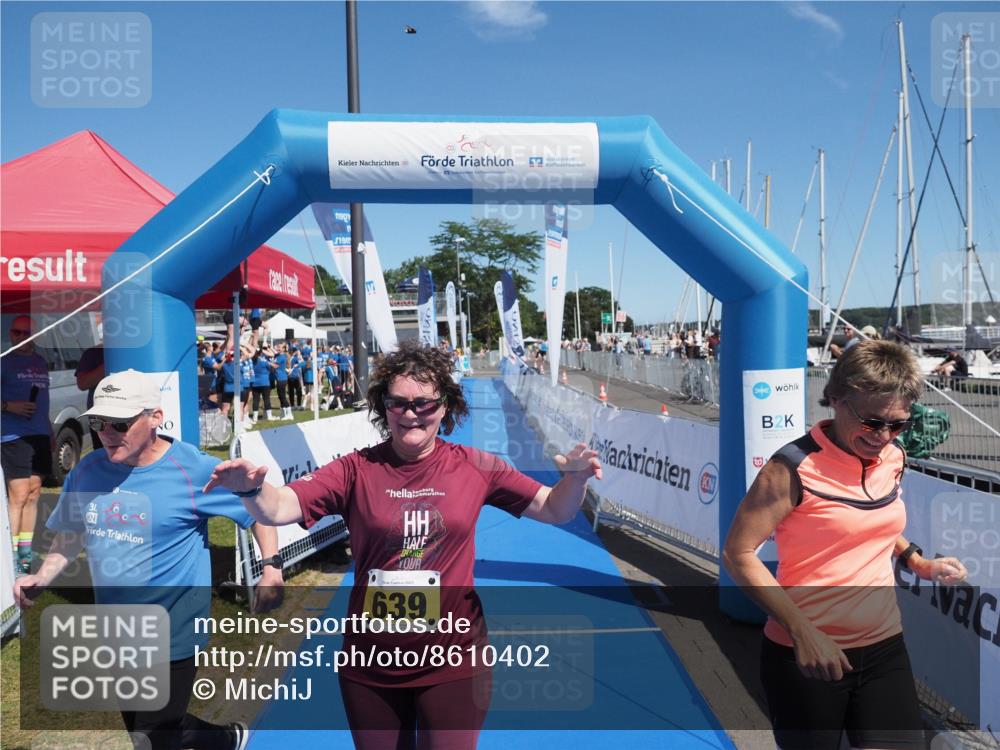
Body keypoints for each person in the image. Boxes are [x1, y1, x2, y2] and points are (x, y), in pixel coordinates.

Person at [204, 341, 602, 749]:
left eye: (425, 404)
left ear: (445, 406)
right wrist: (251, 489)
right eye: (399, 403)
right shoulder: (356, 469)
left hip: (454, 659)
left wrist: (574, 480)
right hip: (371, 663)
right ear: (384, 407)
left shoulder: (478, 466)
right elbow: (279, 508)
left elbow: (554, 510)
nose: (412, 413)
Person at [13, 369, 284, 750]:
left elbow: (259, 510)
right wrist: (42, 576)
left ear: (155, 417)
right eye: (99, 422)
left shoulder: (193, 470)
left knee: (152, 737)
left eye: (120, 423)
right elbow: (71, 535)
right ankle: (223, 738)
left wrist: (271, 567)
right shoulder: (88, 470)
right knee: (148, 725)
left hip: (173, 627)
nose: (107, 432)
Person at [723, 340, 967, 750]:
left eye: (898, 424)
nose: (884, 436)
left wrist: (918, 562)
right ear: (836, 400)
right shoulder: (791, 469)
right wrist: (803, 633)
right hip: (809, 655)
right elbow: (738, 554)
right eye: (872, 422)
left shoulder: (892, 455)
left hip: (884, 645)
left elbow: (876, 521)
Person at [1, 315, 51, 574]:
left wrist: (50, 430)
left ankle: (24, 553)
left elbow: (45, 400)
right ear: (10, 334)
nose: (21, 337)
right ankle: (8, 555)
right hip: (13, 435)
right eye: (17, 332)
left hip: (40, 433)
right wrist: (11, 407)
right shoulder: (3, 362)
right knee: (18, 495)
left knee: (34, 492)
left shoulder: (41, 362)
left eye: (27, 333)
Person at [75, 342, 105, 449]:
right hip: (100, 420)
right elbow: (82, 384)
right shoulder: (93, 353)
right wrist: (112, 361)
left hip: (134, 417)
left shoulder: (139, 349)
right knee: (103, 459)